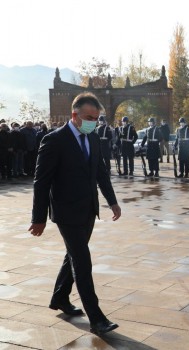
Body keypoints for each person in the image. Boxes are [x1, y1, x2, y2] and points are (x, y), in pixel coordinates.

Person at [28, 92, 121, 335]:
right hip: (66, 211)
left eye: (97, 118)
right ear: (74, 115)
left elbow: (100, 173)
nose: (94, 121)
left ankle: (59, 297)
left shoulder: (94, 139)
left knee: (73, 255)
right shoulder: (54, 140)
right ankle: (97, 318)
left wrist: (112, 202)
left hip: (88, 209)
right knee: (82, 260)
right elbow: (41, 182)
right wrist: (38, 218)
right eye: (89, 117)